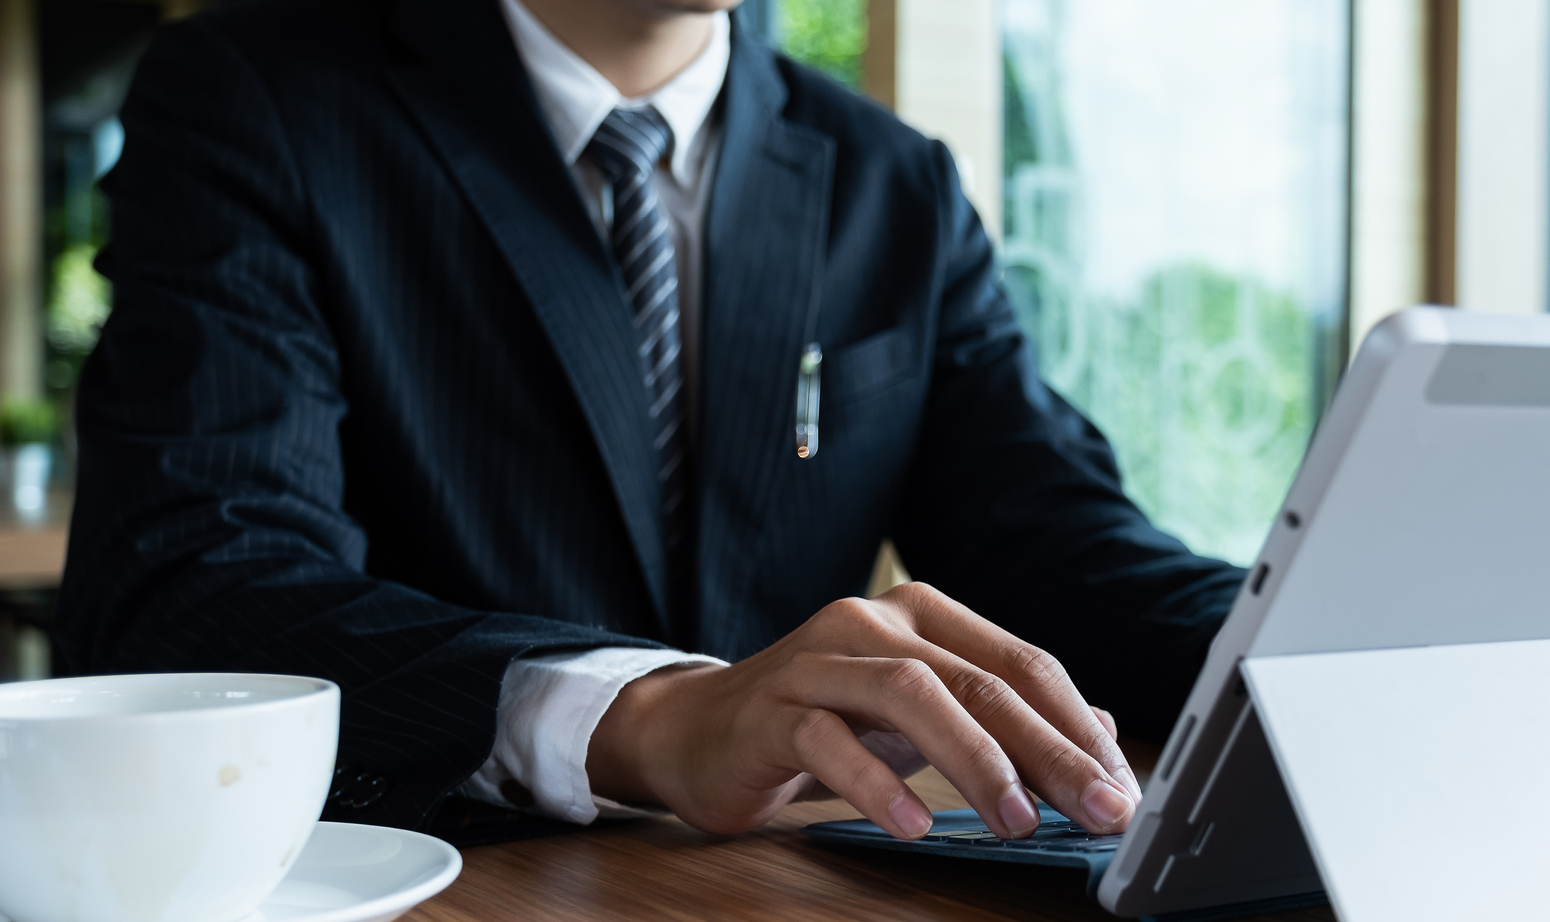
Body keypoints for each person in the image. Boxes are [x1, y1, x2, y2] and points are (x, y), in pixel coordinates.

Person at [54, 0, 1243, 845]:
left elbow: (1057, 542)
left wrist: (1296, 634)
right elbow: (195, 584)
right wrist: (643, 714)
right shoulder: (257, 96)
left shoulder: (896, 183)